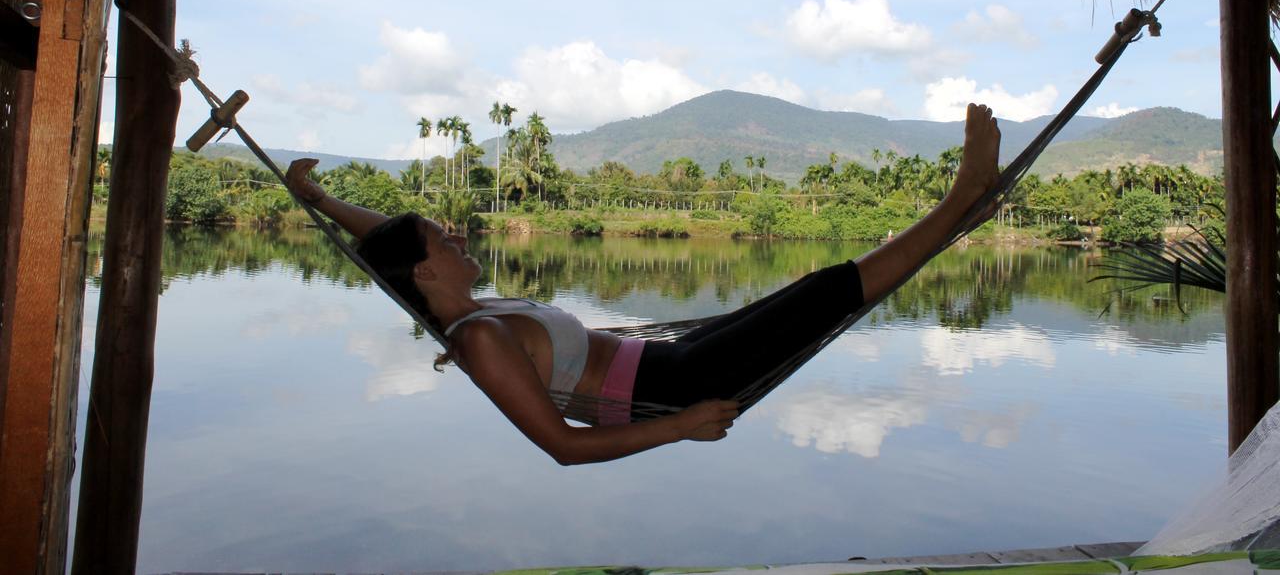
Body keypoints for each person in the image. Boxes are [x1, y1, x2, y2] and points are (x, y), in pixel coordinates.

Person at [285, 103, 1001, 465]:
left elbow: (388, 240)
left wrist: (322, 201)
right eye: (442, 239)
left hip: (665, 354)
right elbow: (562, 447)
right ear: (425, 270)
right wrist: (680, 427)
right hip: (675, 384)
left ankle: (955, 209)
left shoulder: (471, 306)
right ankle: (961, 197)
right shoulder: (478, 339)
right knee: (819, 299)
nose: (456, 233)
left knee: (808, 293)